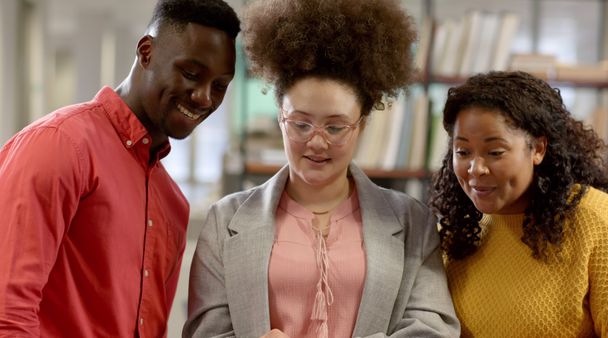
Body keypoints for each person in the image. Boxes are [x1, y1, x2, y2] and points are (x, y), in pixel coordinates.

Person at [182, 0, 460, 337]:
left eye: (335, 127)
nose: (316, 142)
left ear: (362, 124)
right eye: (301, 124)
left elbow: (433, 328)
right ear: (280, 119)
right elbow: (203, 331)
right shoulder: (225, 221)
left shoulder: (412, 221)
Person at [0, 0, 239, 336]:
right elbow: (6, 314)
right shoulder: (61, 146)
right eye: (191, 74)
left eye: (219, 86)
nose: (204, 97)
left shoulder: (172, 203)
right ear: (146, 52)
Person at [430, 71, 608, 337]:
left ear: (538, 148)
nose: (476, 169)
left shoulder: (602, 224)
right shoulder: (456, 233)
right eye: (462, 152)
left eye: (495, 152)